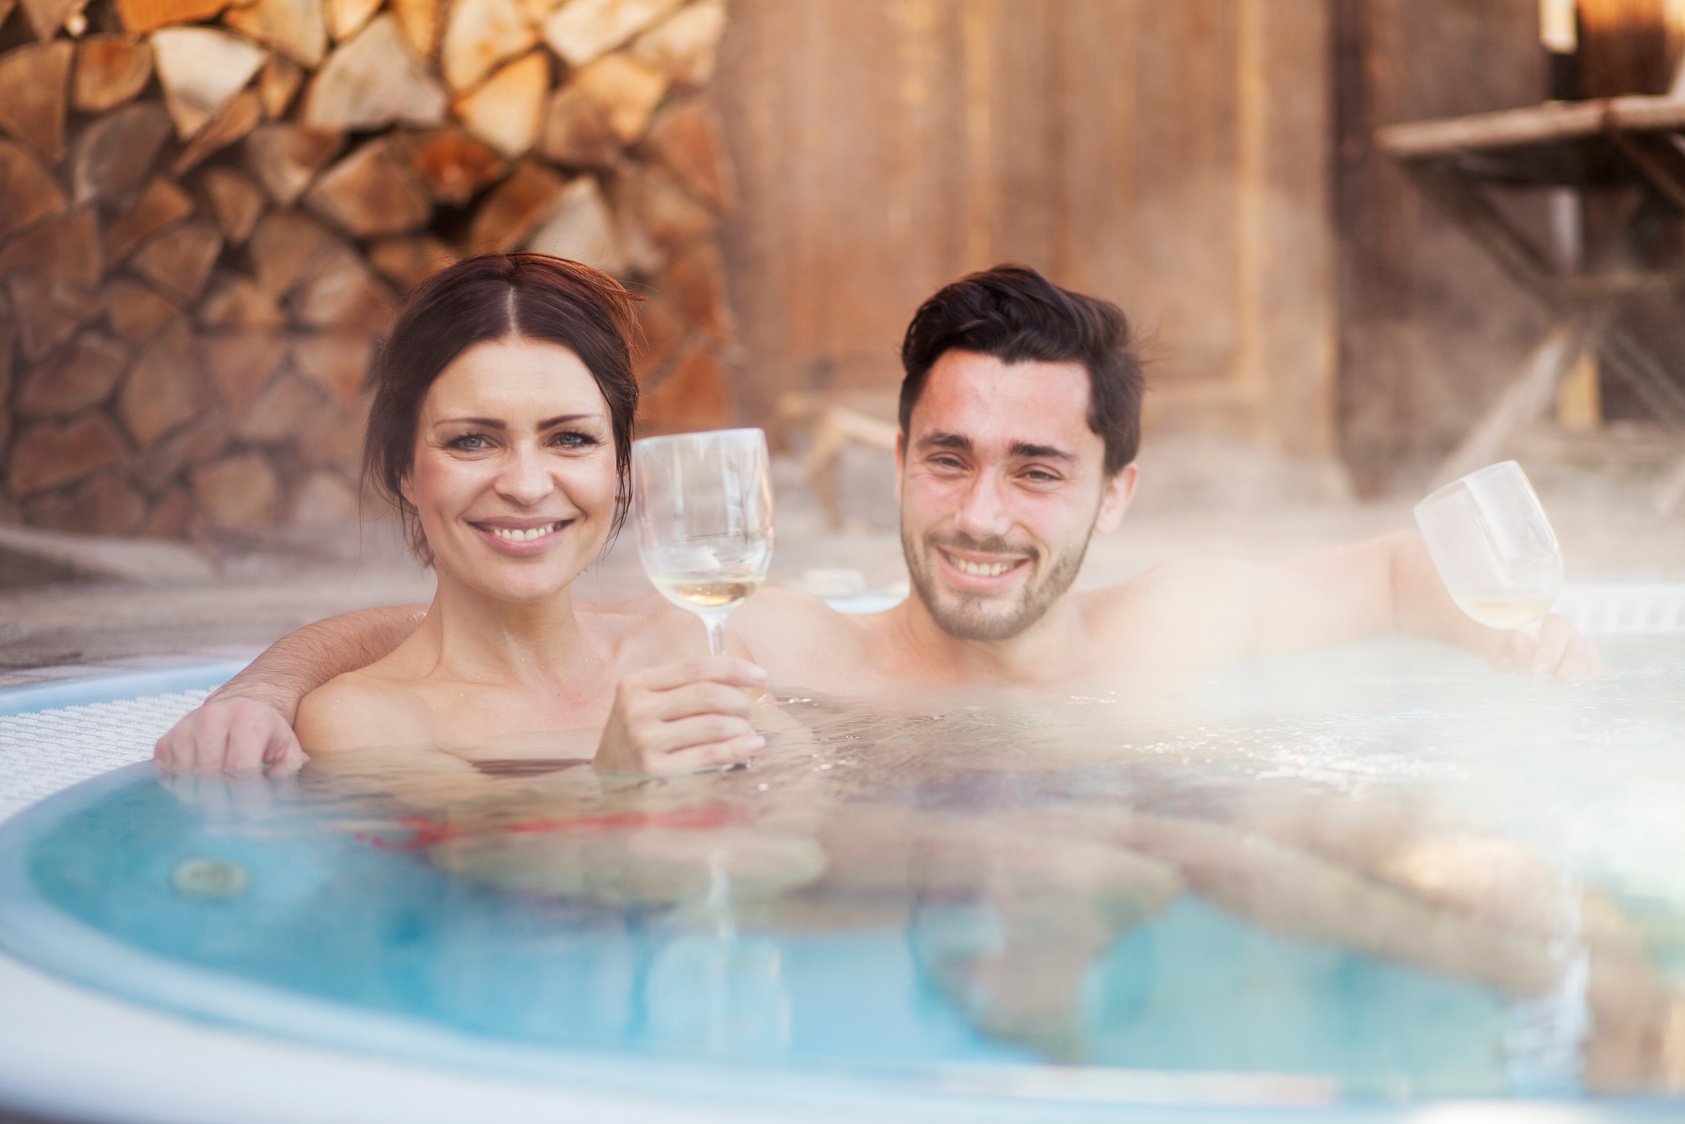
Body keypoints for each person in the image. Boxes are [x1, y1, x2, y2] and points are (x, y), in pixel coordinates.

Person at [153, 263, 1600, 772]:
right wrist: (265, 684)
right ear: (897, 460)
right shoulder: (781, 641)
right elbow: (468, 629)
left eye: (1037, 472)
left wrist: (1519, 641)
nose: (980, 514)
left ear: (1118, 496)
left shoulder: (1188, 621)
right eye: (946, 458)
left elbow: (1416, 575)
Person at [253, 251, 771, 777]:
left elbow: (799, 832)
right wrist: (608, 783)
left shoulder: (681, 651)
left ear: (618, 466)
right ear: (404, 469)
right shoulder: (362, 721)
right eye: (473, 440)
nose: (526, 486)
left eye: (570, 438)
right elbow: (496, 857)